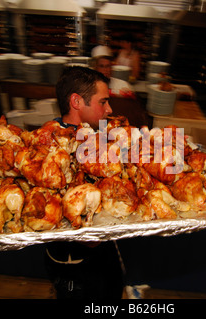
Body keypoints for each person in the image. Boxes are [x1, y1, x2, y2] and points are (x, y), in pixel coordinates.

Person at [46, 66, 123, 299]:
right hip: (76, 261)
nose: (109, 109)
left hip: (103, 250)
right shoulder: (54, 145)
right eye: (103, 102)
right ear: (77, 102)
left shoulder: (94, 135)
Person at [54, 66, 113, 130]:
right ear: (76, 101)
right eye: (103, 102)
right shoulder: (50, 137)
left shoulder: (100, 130)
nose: (109, 110)